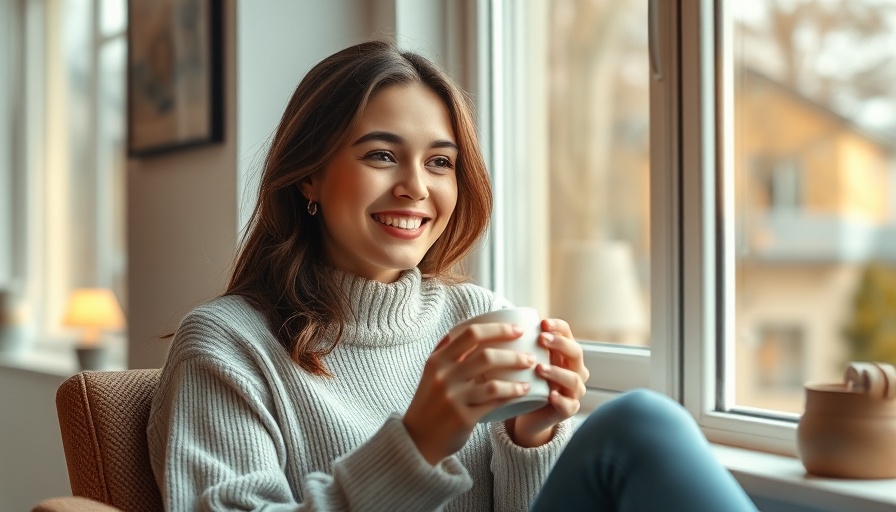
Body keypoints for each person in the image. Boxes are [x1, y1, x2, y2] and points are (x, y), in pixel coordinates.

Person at [147, 40, 758, 512]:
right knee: (640, 423)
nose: (416, 186)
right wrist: (417, 442)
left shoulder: (474, 315)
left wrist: (532, 437)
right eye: (381, 155)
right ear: (308, 175)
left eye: (440, 162)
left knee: (641, 422)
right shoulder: (227, 345)